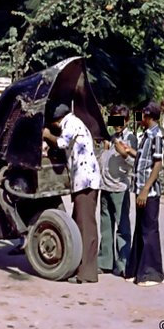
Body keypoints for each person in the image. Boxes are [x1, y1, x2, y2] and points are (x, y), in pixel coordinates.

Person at [43, 104, 101, 284]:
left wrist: (46, 135)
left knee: (86, 227)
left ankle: (87, 273)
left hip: (85, 181)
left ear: (57, 120)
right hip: (83, 180)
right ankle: (80, 267)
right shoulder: (75, 122)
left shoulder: (71, 123)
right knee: (79, 224)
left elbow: (61, 143)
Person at [121, 102, 164, 287]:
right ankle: (136, 269)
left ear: (148, 116)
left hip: (149, 191)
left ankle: (152, 272)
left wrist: (146, 189)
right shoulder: (145, 136)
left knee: (149, 231)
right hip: (139, 188)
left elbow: (157, 163)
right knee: (140, 229)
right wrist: (128, 151)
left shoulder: (157, 135)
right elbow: (142, 158)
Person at [98, 105, 137, 277]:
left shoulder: (130, 138)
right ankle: (105, 261)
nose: (116, 124)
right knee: (106, 226)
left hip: (120, 188)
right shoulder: (111, 138)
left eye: (119, 120)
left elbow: (135, 162)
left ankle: (123, 263)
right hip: (105, 186)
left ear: (126, 120)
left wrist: (124, 153)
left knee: (122, 227)